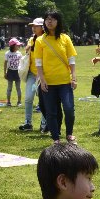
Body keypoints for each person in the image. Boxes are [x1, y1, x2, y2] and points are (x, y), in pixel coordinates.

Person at [34, 10, 77, 144]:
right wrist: (42, 80)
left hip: (65, 81)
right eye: (47, 19)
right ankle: (56, 138)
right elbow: (38, 63)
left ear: (58, 21)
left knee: (69, 108)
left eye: (52, 19)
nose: (49, 21)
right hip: (48, 83)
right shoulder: (40, 40)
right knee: (51, 112)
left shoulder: (65, 38)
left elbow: (71, 59)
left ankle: (69, 134)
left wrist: (73, 77)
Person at [19, 18, 46, 132]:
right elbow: (27, 49)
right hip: (32, 73)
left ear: (42, 27)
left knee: (44, 100)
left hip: (44, 74)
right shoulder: (32, 39)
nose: (33, 28)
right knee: (29, 98)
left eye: (36, 26)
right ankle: (28, 123)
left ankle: (44, 123)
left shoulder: (47, 39)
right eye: (32, 26)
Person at [4, 37, 22, 107]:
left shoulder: (19, 53)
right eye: (17, 45)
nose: (19, 46)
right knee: (9, 88)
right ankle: (8, 102)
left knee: (18, 88)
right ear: (13, 46)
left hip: (17, 72)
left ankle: (19, 102)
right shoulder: (7, 53)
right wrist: (5, 72)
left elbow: (21, 63)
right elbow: (5, 63)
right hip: (10, 71)